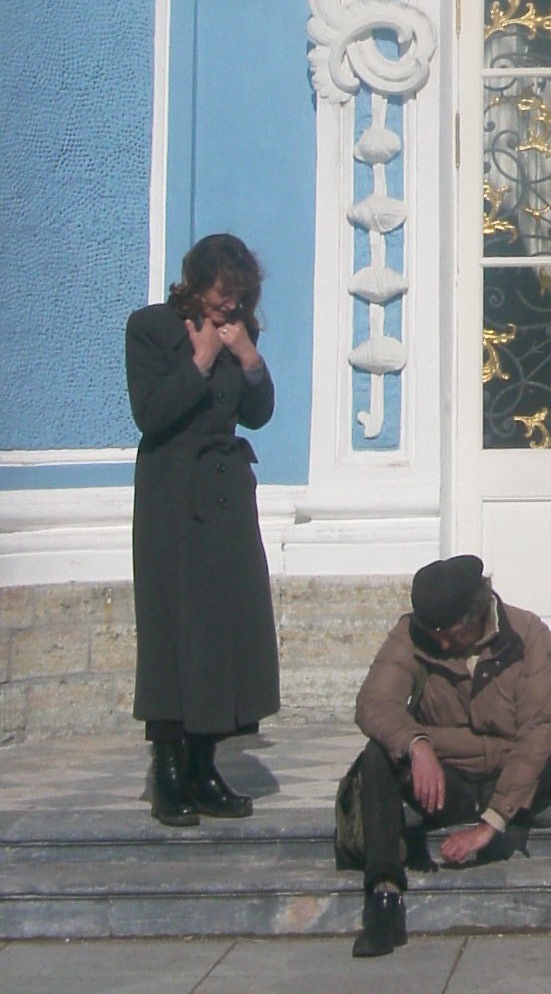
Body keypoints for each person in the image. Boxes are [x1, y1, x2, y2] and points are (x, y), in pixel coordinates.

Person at [348, 554, 551, 959]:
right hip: (446, 781)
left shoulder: (529, 636)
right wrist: (416, 744)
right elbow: (374, 703)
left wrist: (491, 823)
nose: (440, 642)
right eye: (432, 632)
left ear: (476, 613)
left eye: (447, 632)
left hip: (512, 781)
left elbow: (539, 732)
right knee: (376, 755)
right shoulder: (412, 634)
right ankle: (384, 898)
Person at [126, 233, 279, 825]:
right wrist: (199, 361)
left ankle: (203, 763)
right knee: (173, 627)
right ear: (195, 282)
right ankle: (168, 769)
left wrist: (249, 359)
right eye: (221, 292)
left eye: (238, 295)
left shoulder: (241, 331)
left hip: (226, 498)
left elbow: (257, 415)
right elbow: (150, 414)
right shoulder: (150, 328)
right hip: (171, 495)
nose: (229, 304)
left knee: (224, 627)